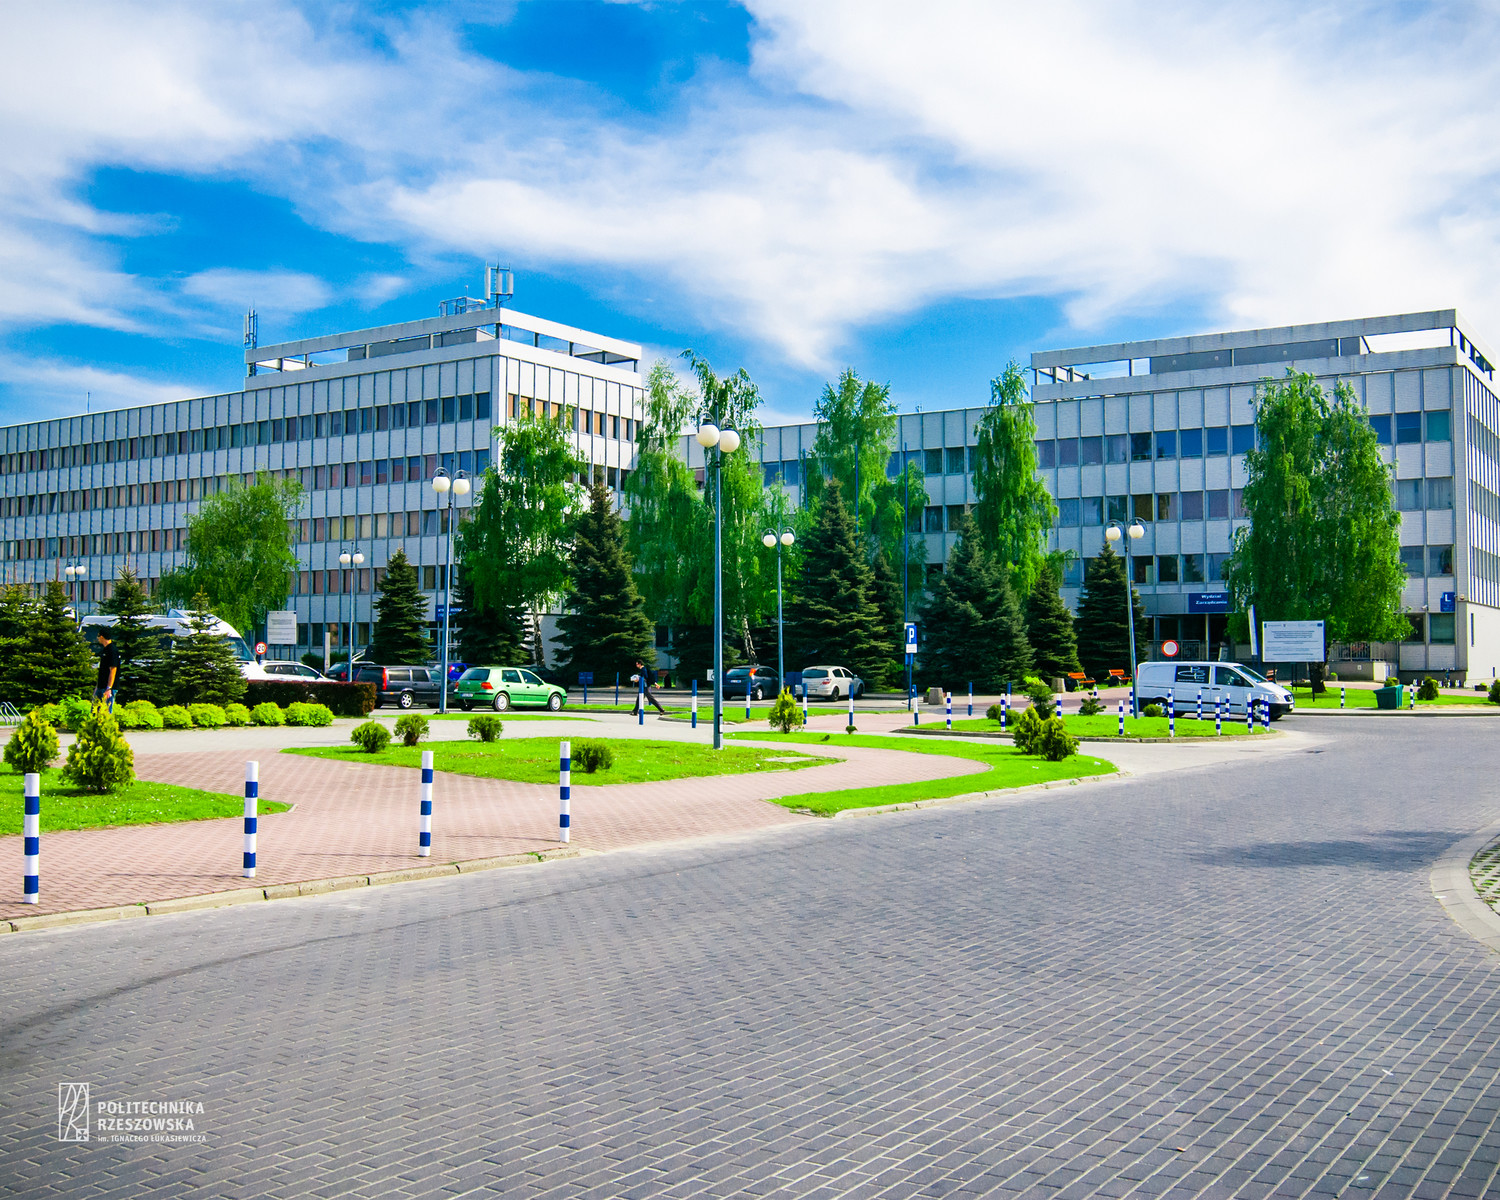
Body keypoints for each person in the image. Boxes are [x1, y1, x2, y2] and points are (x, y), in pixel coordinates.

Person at [94, 630, 120, 714]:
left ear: (102, 637)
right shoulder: (105, 649)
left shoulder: (112, 650)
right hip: (101, 686)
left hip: (108, 688)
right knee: (95, 710)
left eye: (98, 636)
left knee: (106, 711)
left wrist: (109, 688)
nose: (98, 638)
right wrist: (97, 686)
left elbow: (113, 669)